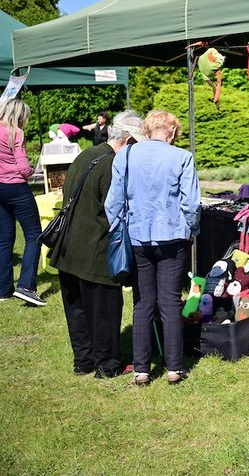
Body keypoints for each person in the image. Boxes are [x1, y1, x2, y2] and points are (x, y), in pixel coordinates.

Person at [105, 110, 200, 386]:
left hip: (137, 237)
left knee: (143, 302)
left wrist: (119, 228)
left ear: (147, 130)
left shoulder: (126, 155)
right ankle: (174, 368)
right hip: (173, 237)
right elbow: (191, 204)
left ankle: (142, 369)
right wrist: (192, 229)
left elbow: (114, 202)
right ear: (171, 134)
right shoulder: (182, 157)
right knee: (170, 302)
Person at [51, 110, 145, 377]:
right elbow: (117, 210)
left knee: (77, 310)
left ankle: (83, 362)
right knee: (104, 311)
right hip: (95, 248)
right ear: (128, 141)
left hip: (69, 247)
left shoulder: (87, 154)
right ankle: (107, 365)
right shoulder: (111, 164)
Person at [0, 99, 44, 306]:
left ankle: (3, 288)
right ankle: (26, 287)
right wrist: (32, 170)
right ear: (19, 115)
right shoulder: (15, 132)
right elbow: (23, 165)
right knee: (34, 235)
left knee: (4, 239)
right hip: (16, 186)